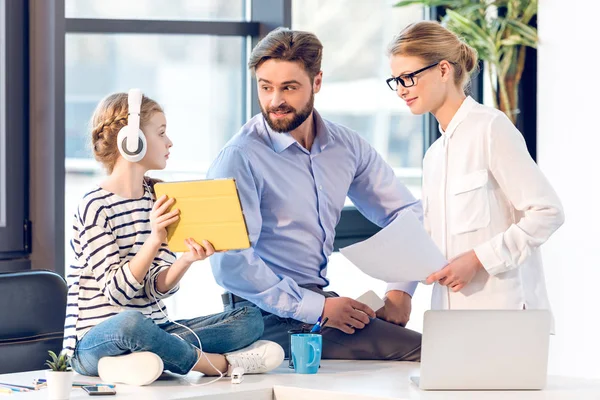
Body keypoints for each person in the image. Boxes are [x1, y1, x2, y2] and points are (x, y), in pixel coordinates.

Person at [207, 28, 422, 361]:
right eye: (265, 87)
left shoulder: (346, 146)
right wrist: (319, 308)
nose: (275, 101)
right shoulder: (239, 156)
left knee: (431, 350)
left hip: (317, 304)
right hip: (256, 316)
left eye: (289, 88)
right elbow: (231, 264)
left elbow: (406, 212)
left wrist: (400, 290)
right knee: (424, 352)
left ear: (316, 82)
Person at [63, 91, 283, 386]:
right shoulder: (94, 205)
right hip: (96, 340)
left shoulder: (159, 197)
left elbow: (157, 289)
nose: (169, 143)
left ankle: (144, 361)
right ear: (132, 141)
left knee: (249, 318)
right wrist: (154, 240)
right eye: (161, 133)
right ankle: (215, 363)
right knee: (132, 324)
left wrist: (187, 259)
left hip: (157, 328)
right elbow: (118, 293)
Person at [386, 21, 564, 312]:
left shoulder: (491, 128)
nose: (401, 91)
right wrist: (398, 290)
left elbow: (547, 212)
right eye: (395, 81)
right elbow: (429, 236)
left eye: (408, 77)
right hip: (447, 314)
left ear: (443, 70)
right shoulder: (433, 155)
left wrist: (478, 259)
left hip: (502, 312)